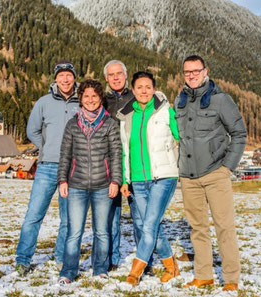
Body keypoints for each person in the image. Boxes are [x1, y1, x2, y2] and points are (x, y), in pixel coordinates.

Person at [174, 55, 247, 291]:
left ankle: (231, 279)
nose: (192, 75)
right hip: (188, 177)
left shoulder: (221, 100)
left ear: (206, 71)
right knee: (198, 228)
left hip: (216, 173)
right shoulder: (180, 101)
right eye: (187, 72)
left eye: (196, 71)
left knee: (224, 227)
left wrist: (227, 167)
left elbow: (239, 133)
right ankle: (203, 275)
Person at [15, 61, 80, 276]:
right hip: (47, 167)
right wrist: (48, 149)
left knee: (68, 218)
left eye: (68, 75)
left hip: (72, 169)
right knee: (34, 215)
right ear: (55, 79)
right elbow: (32, 131)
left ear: (74, 78)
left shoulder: (82, 102)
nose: (65, 79)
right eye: (61, 76)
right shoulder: (43, 102)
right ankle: (23, 259)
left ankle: (61, 258)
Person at [117, 71, 180, 286]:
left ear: (154, 89)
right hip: (137, 181)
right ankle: (171, 266)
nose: (144, 91)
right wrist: (125, 180)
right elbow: (125, 150)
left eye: (148, 87)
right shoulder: (126, 116)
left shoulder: (165, 110)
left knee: (149, 224)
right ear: (133, 90)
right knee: (150, 224)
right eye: (139, 87)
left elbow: (181, 136)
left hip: (163, 177)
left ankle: (135, 271)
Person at [57, 79, 122, 284]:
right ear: (81, 98)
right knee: (73, 231)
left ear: (100, 98)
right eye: (86, 96)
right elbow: (65, 155)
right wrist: (62, 180)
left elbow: (116, 155)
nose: (91, 100)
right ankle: (68, 271)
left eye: (94, 96)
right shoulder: (73, 124)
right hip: (76, 185)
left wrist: (115, 181)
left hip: (103, 186)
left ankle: (100, 269)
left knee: (102, 231)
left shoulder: (109, 123)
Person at [103, 60, 153, 274]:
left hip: (133, 165)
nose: (115, 78)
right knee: (110, 217)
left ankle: (145, 261)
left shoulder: (136, 97)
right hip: (108, 165)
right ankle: (112, 260)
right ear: (106, 78)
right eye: (111, 75)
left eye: (119, 73)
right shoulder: (101, 100)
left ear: (125, 75)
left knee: (140, 217)